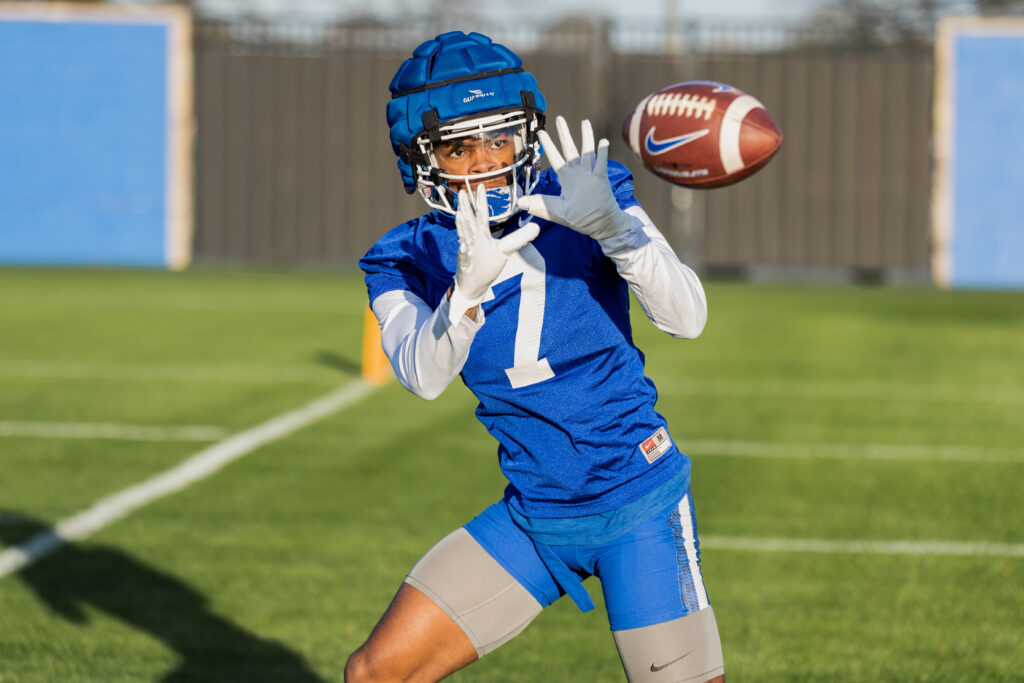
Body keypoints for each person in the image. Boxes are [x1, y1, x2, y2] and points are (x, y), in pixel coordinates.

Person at [350, 31, 724, 683]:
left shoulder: (585, 192)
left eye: (502, 137)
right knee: (376, 672)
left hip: (635, 498)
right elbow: (422, 375)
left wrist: (616, 229)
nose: (488, 160)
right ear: (422, 158)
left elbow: (686, 317)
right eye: (461, 146)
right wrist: (461, 298)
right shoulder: (405, 256)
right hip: (534, 513)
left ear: (529, 131)